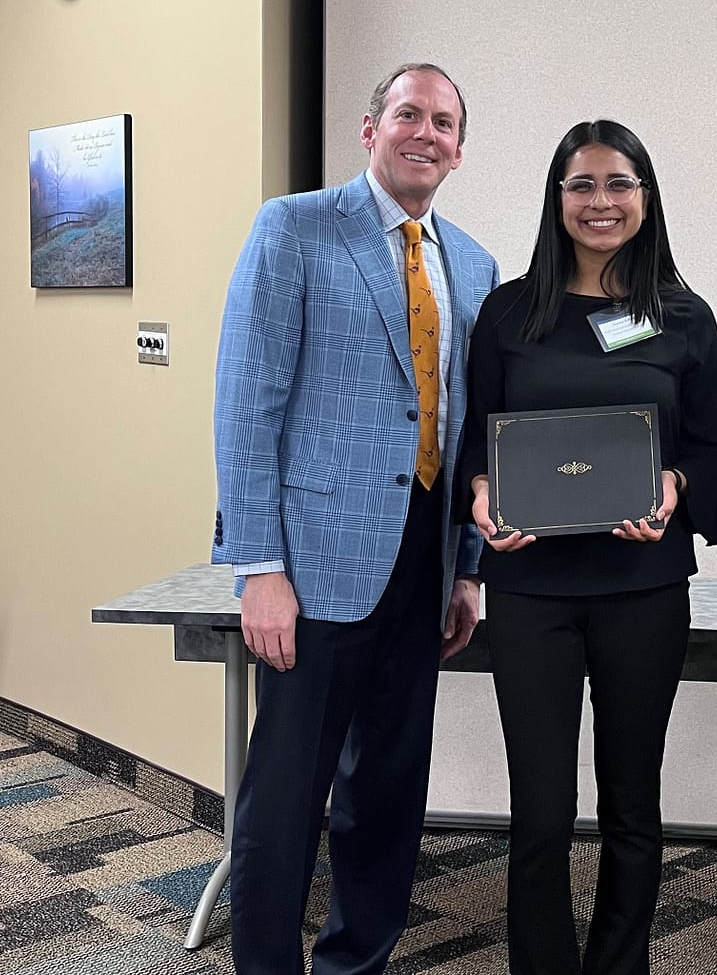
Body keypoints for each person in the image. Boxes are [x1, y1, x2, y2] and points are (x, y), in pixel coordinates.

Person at [212, 62, 499, 975]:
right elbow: (246, 406)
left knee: (387, 792)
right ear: (371, 130)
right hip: (312, 564)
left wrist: (466, 567)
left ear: (459, 150)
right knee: (286, 796)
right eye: (409, 114)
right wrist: (260, 567)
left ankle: (355, 961)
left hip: (423, 564)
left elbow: (468, 428)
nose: (426, 133)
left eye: (444, 122)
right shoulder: (294, 228)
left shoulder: (474, 264)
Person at [459, 119, 717, 975]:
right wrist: (479, 495)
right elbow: (474, 441)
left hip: (642, 588)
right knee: (540, 813)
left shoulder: (684, 317)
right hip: (529, 591)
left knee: (632, 806)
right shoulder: (508, 311)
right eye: (582, 184)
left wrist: (675, 485)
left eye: (619, 183)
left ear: (645, 197)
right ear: (557, 199)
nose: (600, 202)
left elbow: (708, 446)